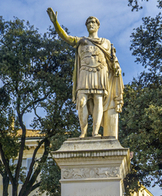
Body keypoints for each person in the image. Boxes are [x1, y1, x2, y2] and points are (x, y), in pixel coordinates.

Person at [47, 8, 124, 138]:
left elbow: (113, 60)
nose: (91, 24)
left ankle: (95, 132)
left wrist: (116, 67)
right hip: (84, 72)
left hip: (100, 72)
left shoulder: (106, 42)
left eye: (93, 22)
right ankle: (83, 132)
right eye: (88, 23)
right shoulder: (81, 41)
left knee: (98, 100)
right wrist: (56, 23)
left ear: (98, 25)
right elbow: (65, 37)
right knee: (81, 101)